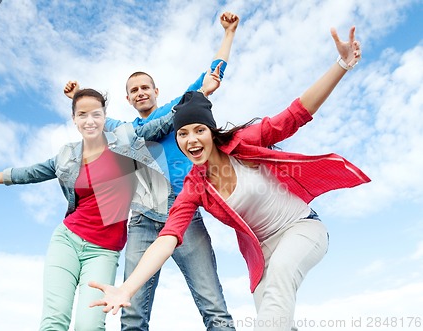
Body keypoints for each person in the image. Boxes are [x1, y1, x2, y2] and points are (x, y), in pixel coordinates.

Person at [88, 26, 371, 331]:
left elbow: (296, 114)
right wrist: (127, 289)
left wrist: (342, 65)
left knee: (279, 284)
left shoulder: (244, 143)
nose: (190, 139)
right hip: (262, 253)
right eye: (182, 133)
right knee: (275, 317)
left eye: (198, 130)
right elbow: (168, 238)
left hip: (302, 228)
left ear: (211, 131)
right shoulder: (195, 186)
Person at [64, 11, 240, 331]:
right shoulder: (124, 129)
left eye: (146, 87)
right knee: (130, 313)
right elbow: (93, 121)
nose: (141, 92)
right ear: (129, 99)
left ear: (156, 91)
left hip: (184, 214)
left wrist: (228, 34)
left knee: (214, 307)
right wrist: (77, 95)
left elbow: (212, 75)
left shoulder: (179, 109)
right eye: (134, 90)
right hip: (143, 220)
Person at [0, 88, 177, 331]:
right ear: (74, 119)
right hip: (66, 240)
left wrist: (200, 95)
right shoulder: (67, 155)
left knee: (88, 326)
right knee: (54, 322)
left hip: (103, 250)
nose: (90, 121)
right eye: (82, 115)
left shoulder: (124, 141)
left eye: (96, 115)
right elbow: (30, 172)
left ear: (104, 116)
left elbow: (159, 126)